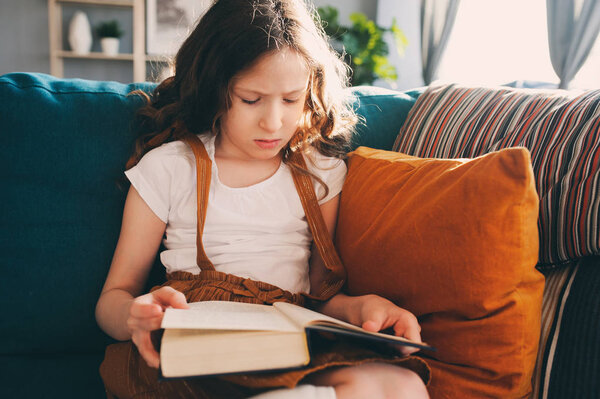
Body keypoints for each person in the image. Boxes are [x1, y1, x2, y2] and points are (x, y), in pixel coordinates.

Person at [95, 0, 430, 398]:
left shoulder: (319, 173)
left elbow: (320, 299)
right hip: (197, 344)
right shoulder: (170, 166)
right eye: (251, 99)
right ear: (214, 90)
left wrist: (363, 309)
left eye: (291, 100)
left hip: (285, 340)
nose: (273, 123)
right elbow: (113, 297)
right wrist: (136, 315)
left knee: (402, 384)